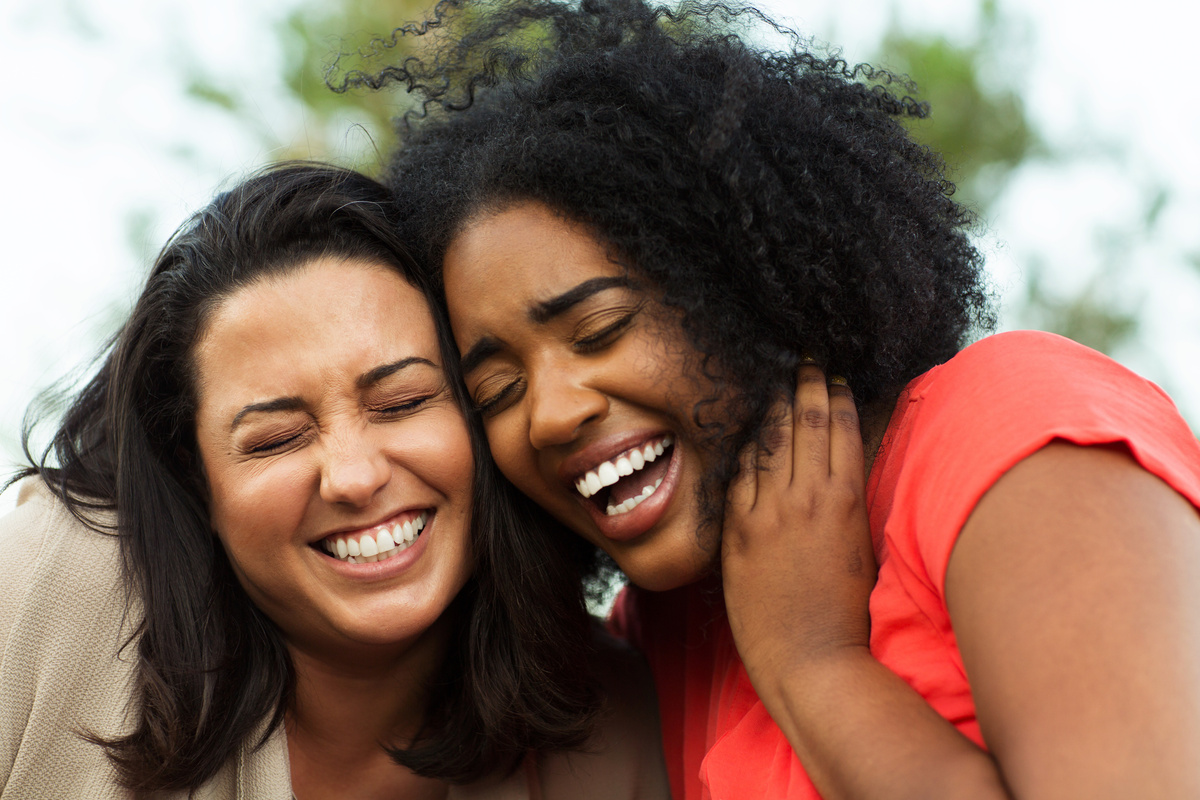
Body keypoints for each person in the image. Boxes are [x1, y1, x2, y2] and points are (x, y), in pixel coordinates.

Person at [363, 0, 1200, 797]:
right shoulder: (658, 633)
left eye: (601, 329)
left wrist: (813, 664)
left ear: (740, 287)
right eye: (498, 389)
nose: (551, 413)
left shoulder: (1013, 432)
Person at [0, 163, 669, 799]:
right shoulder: (42, 590)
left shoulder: (611, 724)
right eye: (275, 440)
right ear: (194, 478)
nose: (353, 477)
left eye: (403, 402)